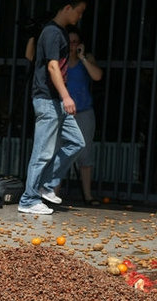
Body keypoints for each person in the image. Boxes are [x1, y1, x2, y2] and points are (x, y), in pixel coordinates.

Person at [18, 1, 87, 215]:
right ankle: (28, 199)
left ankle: (46, 185)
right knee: (42, 152)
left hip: (55, 100)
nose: (80, 16)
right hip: (48, 100)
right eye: (79, 12)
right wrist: (67, 97)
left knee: (77, 142)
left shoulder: (59, 32)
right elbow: (52, 66)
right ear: (67, 7)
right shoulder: (51, 32)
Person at [62, 25, 103, 205]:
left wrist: (82, 57)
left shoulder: (85, 58)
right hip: (63, 112)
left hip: (84, 112)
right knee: (60, 152)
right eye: (69, 42)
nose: (72, 46)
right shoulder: (60, 61)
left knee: (85, 153)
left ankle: (88, 195)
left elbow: (97, 76)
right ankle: (53, 193)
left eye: (75, 42)